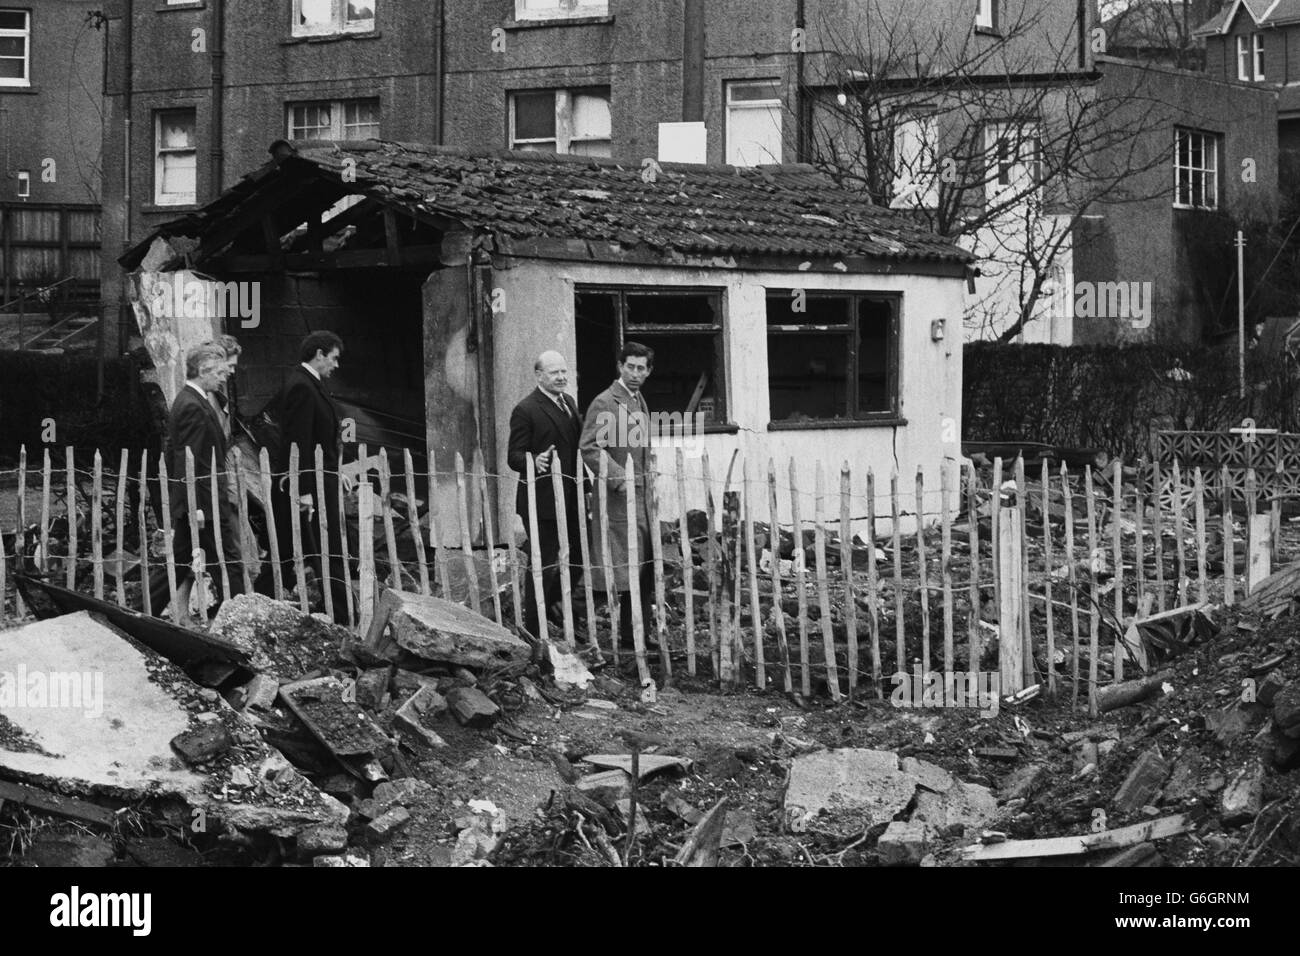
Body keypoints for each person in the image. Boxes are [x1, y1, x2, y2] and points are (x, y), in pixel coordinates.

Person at [254, 331, 353, 623]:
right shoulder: (301, 386)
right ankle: (342, 614)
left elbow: (319, 441)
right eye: (333, 358)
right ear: (319, 354)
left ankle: (254, 602)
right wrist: (304, 490)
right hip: (310, 485)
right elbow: (298, 443)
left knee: (294, 550)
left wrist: (337, 473)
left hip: (321, 478)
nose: (336, 365)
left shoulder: (311, 383)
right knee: (324, 547)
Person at [147, 343, 245, 620]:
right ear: (203, 370)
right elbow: (191, 462)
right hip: (204, 505)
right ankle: (243, 619)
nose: (224, 377)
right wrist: (198, 508)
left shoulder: (193, 400)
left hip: (200, 503)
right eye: (219, 372)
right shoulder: (192, 405)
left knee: (179, 563)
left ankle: (143, 610)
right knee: (228, 563)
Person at [579, 341, 656, 650]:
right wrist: (618, 477)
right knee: (618, 568)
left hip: (641, 498)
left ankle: (634, 636)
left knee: (643, 567)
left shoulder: (638, 400)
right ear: (620, 367)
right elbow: (589, 447)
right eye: (630, 367)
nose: (635, 373)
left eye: (642, 368)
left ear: (649, 371)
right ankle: (570, 614)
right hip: (618, 499)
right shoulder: (605, 402)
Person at [507, 351, 586, 637]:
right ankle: (534, 628)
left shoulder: (569, 403)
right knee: (543, 561)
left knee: (579, 555)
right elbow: (513, 455)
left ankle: (551, 605)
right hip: (540, 500)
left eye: (564, 372)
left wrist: (585, 489)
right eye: (555, 373)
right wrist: (534, 460)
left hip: (570, 495)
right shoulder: (526, 409)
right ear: (539, 375)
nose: (562, 377)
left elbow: (575, 450)